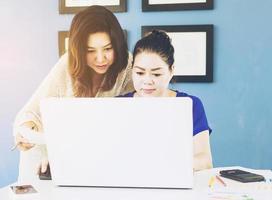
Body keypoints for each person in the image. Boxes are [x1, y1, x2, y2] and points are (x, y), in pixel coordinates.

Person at [13, 5, 133, 180]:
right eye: (90, 51)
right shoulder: (67, 64)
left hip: (102, 155)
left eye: (108, 49)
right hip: (56, 157)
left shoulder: (126, 65)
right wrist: (27, 130)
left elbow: (136, 112)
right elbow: (29, 113)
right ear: (78, 50)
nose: (101, 59)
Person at [121, 30, 213, 171]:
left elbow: (205, 161)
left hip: (177, 184)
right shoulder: (117, 105)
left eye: (156, 74)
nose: (147, 81)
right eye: (139, 73)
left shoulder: (191, 105)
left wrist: (159, 164)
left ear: (171, 71)